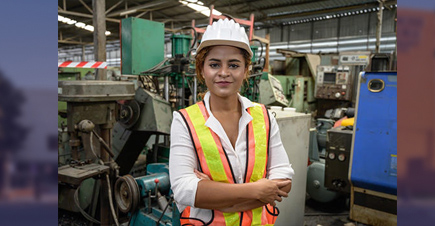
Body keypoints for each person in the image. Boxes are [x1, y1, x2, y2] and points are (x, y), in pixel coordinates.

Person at [169, 18, 294, 225]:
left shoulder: (264, 117)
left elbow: (284, 180)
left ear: (246, 70)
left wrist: (214, 194)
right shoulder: (184, 121)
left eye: (234, 65)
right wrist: (256, 191)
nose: (224, 73)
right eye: (214, 64)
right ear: (202, 69)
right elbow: (184, 190)